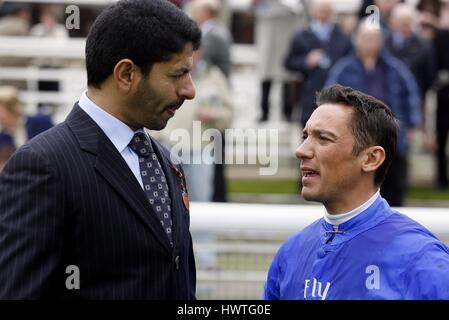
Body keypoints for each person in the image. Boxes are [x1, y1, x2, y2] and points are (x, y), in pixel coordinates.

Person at [0, 0, 201, 299]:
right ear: (126, 74)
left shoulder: (167, 161)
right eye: (177, 74)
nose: (190, 90)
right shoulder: (42, 165)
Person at [264, 85, 449, 300]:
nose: (301, 150)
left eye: (323, 138)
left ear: (371, 159)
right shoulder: (291, 252)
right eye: (305, 136)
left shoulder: (422, 260)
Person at [326, 20, 421, 207]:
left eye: (374, 38)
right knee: (357, 190)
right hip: (356, 137)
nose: (369, 42)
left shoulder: (395, 68)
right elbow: (330, 101)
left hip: (391, 137)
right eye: (365, 37)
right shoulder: (344, 69)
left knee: (394, 191)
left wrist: (412, 126)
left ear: (381, 41)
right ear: (356, 40)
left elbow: (411, 95)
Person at [284, 0, 352, 128]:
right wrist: (306, 61)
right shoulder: (301, 36)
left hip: (337, 97)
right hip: (309, 95)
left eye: (327, 10)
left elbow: (350, 62)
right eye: (321, 10)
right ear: (312, 11)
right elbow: (288, 63)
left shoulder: (343, 37)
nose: (324, 13)